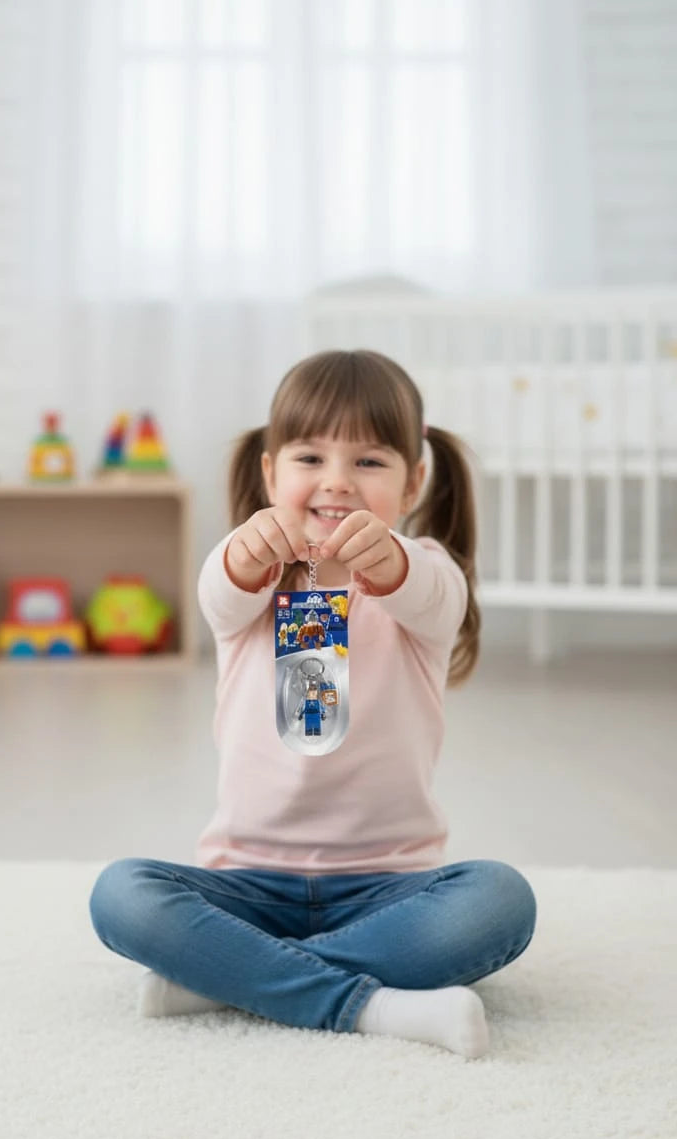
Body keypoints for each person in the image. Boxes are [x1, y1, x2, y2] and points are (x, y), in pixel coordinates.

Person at [89, 350, 537, 1058]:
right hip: (245, 889)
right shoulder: (248, 572)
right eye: (309, 457)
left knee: (500, 901)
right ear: (271, 474)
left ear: (414, 481)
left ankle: (226, 979)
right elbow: (220, 588)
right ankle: (371, 1007)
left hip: (390, 889)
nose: (337, 482)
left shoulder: (426, 574)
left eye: (369, 463)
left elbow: (421, 588)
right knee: (121, 894)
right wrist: (247, 556)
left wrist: (383, 561)